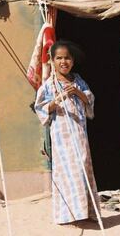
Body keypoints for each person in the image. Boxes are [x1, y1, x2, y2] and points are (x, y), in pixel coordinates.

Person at [34, 40, 100, 225]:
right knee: (66, 173)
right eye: (59, 58)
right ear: (53, 61)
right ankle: (67, 215)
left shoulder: (78, 80)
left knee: (83, 168)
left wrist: (78, 93)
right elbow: (40, 108)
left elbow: (89, 99)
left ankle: (86, 212)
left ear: (73, 60)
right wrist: (57, 100)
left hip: (79, 133)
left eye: (67, 58)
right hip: (61, 136)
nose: (64, 62)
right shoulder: (49, 85)